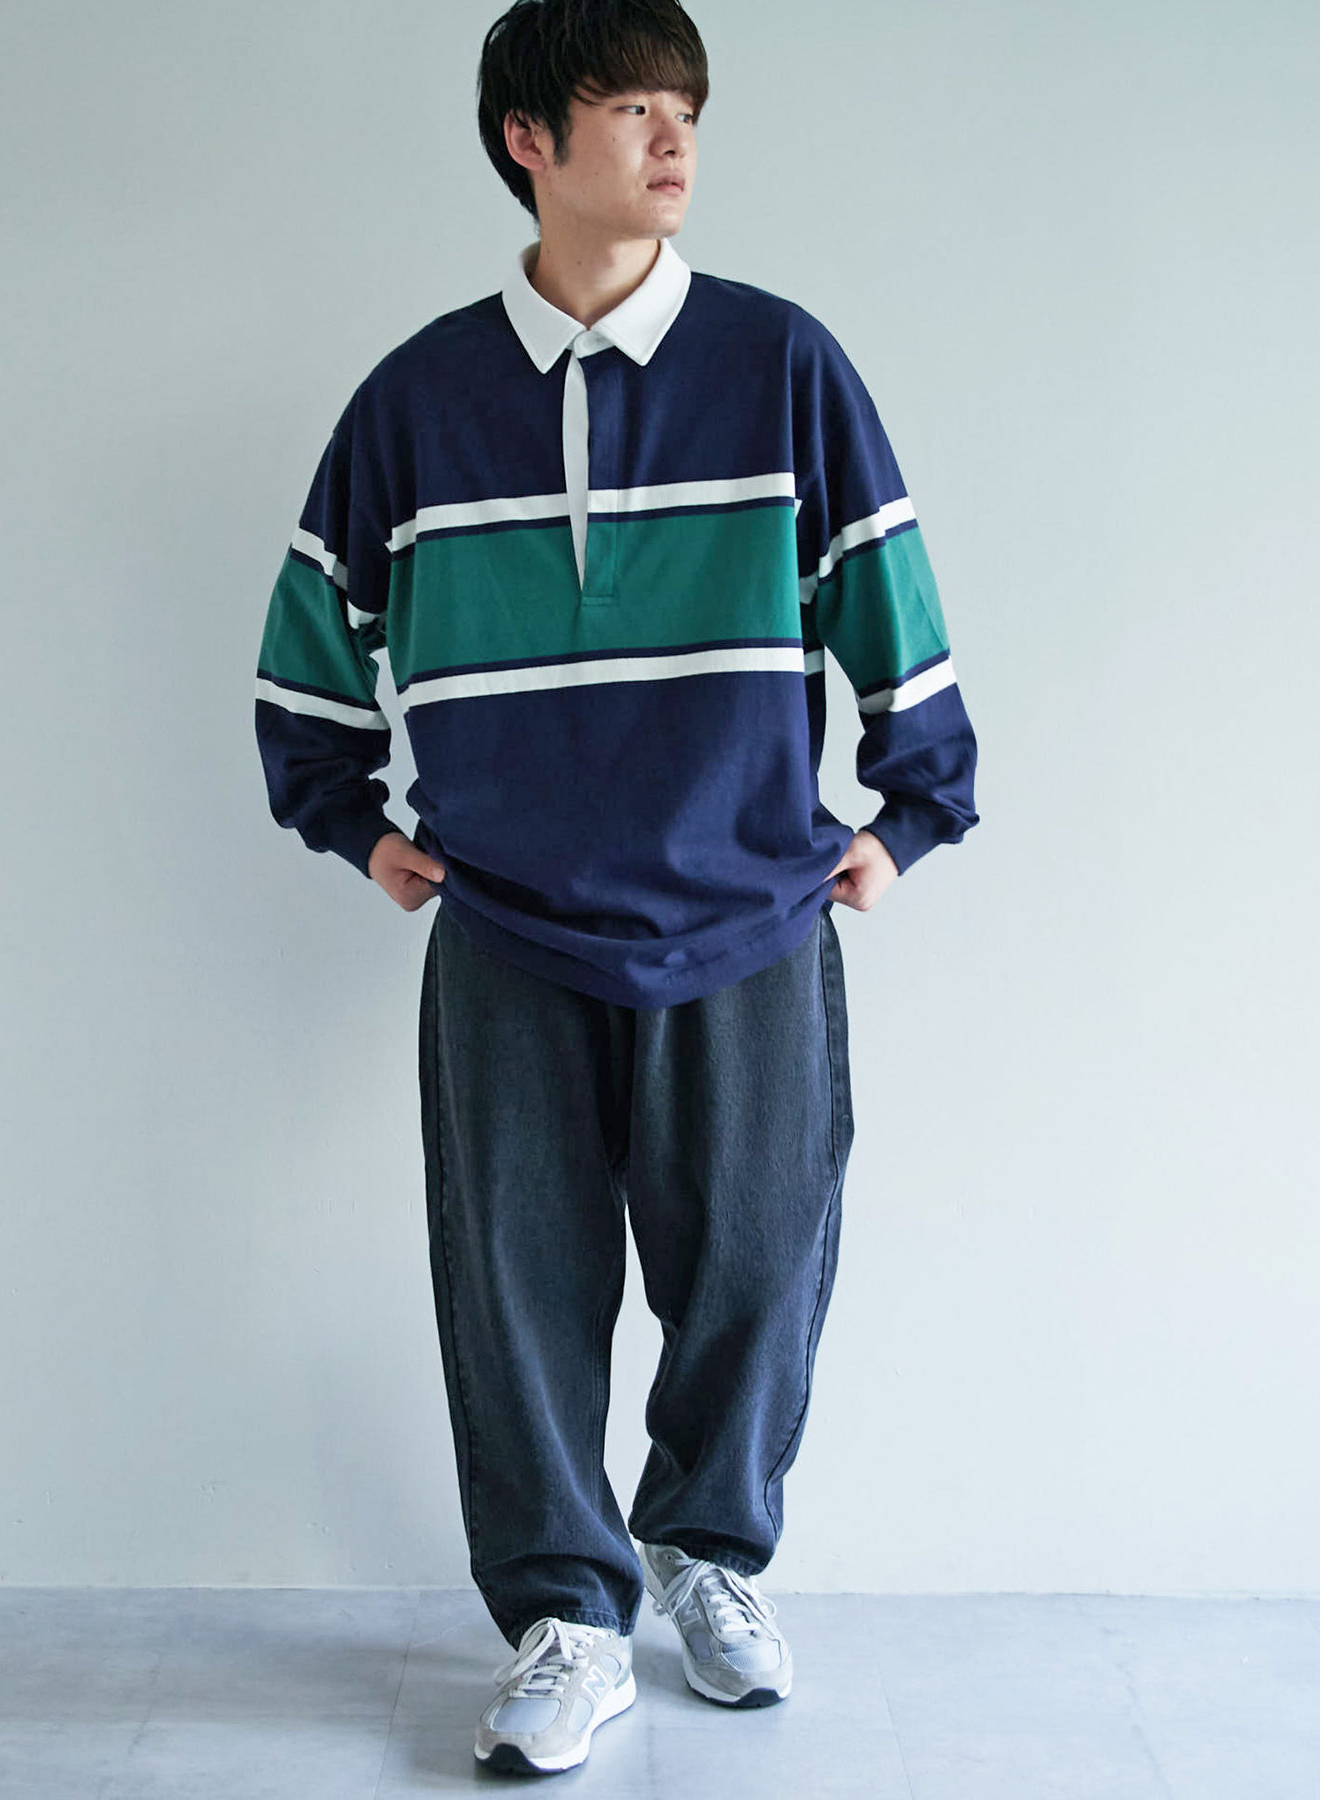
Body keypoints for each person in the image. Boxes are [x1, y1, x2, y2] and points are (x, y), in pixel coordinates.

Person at [253, 0, 979, 1776]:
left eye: (688, 110)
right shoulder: (418, 399)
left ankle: (709, 1555)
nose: (674, 141)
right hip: (508, 924)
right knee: (516, 1284)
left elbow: (889, 595)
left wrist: (910, 811)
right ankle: (569, 1617)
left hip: (749, 913)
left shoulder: (783, 364)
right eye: (632, 106)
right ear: (529, 139)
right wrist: (351, 821)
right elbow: (311, 641)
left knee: (757, 1257)